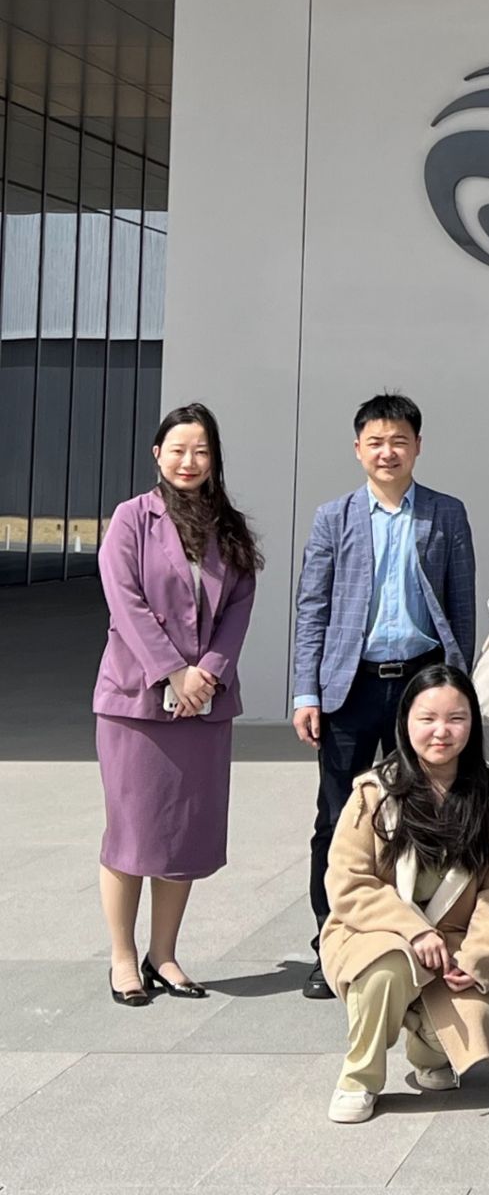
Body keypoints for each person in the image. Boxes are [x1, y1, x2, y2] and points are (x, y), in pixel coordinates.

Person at [293, 392, 477, 1000]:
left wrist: (458, 687)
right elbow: (313, 608)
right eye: (375, 442)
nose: (387, 452)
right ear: (358, 449)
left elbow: (461, 607)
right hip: (351, 686)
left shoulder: (446, 514)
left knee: (423, 811)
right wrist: (306, 691)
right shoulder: (333, 517)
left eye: (399, 440)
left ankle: (419, 936)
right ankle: (332, 942)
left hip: (420, 682)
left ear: (418, 446)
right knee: (336, 817)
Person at [94, 404, 261, 1006]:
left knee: (182, 835)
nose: (189, 461)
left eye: (202, 451)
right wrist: (172, 670)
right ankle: (122, 957)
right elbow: (125, 600)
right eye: (178, 449)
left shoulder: (228, 527)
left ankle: (163, 955)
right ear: (157, 454)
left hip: (204, 706)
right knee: (132, 832)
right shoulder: (132, 518)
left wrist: (207, 672)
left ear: (214, 459)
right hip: (136, 703)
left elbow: (239, 604)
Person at [318, 665, 489, 1124]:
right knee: (386, 968)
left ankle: (426, 1044)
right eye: (427, 718)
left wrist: (477, 957)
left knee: (474, 1030)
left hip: (453, 944)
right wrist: (413, 931)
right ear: (405, 722)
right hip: (373, 933)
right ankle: (358, 1078)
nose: (441, 731)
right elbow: (348, 882)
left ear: (473, 724)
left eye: (456, 718)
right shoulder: (374, 793)